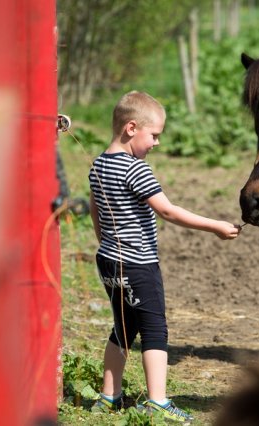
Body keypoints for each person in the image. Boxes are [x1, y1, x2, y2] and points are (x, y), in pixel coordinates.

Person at [88, 91, 240, 424]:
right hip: (139, 264)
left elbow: (94, 207)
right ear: (131, 128)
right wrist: (214, 226)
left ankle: (108, 396)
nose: (156, 143)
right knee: (155, 328)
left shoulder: (99, 163)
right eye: (154, 135)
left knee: (123, 328)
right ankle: (157, 401)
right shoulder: (135, 170)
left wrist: (107, 244)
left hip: (109, 261)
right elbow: (168, 211)